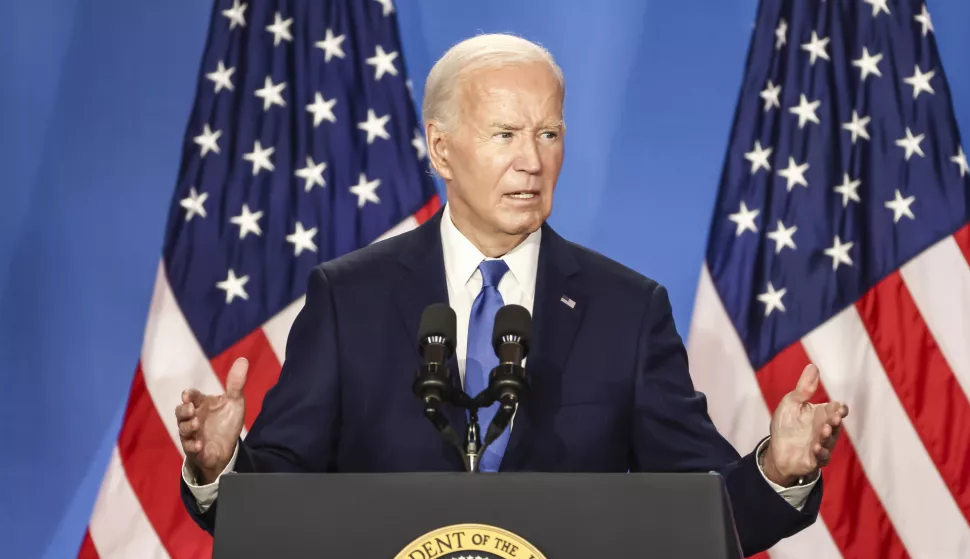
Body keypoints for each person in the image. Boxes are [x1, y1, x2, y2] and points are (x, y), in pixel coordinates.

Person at [175, 33, 847, 555]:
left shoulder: (626, 310)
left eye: (548, 133)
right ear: (441, 149)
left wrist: (777, 468)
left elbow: (707, 512)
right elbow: (277, 500)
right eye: (505, 134)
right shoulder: (348, 298)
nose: (533, 159)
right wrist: (221, 462)